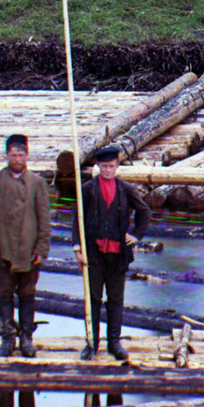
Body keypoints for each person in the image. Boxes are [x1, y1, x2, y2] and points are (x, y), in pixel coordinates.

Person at [0, 133, 51, 407]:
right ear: (6, 155)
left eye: (21, 155)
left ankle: (26, 338)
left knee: (28, 293)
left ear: (27, 156)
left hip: (29, 250)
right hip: (3, 248)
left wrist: (42, 248)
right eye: (12, 155)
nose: (17, 159)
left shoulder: (38, 183)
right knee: (4, 293)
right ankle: (8, 336)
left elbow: (45, 219)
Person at [73, 144, 151, 365]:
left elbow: (145, 212)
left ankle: (114, 343)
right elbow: (77, 219)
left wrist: (135, 235)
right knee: (93, 299)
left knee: (116, 299)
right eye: (104, 166)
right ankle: (92, 343)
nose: (108, 170)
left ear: (117, 166)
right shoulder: (88, 189)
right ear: (98, 166)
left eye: (111, 166)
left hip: (118, 255)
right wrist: (77, 249)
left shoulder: (126, 189)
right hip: (93, 254)